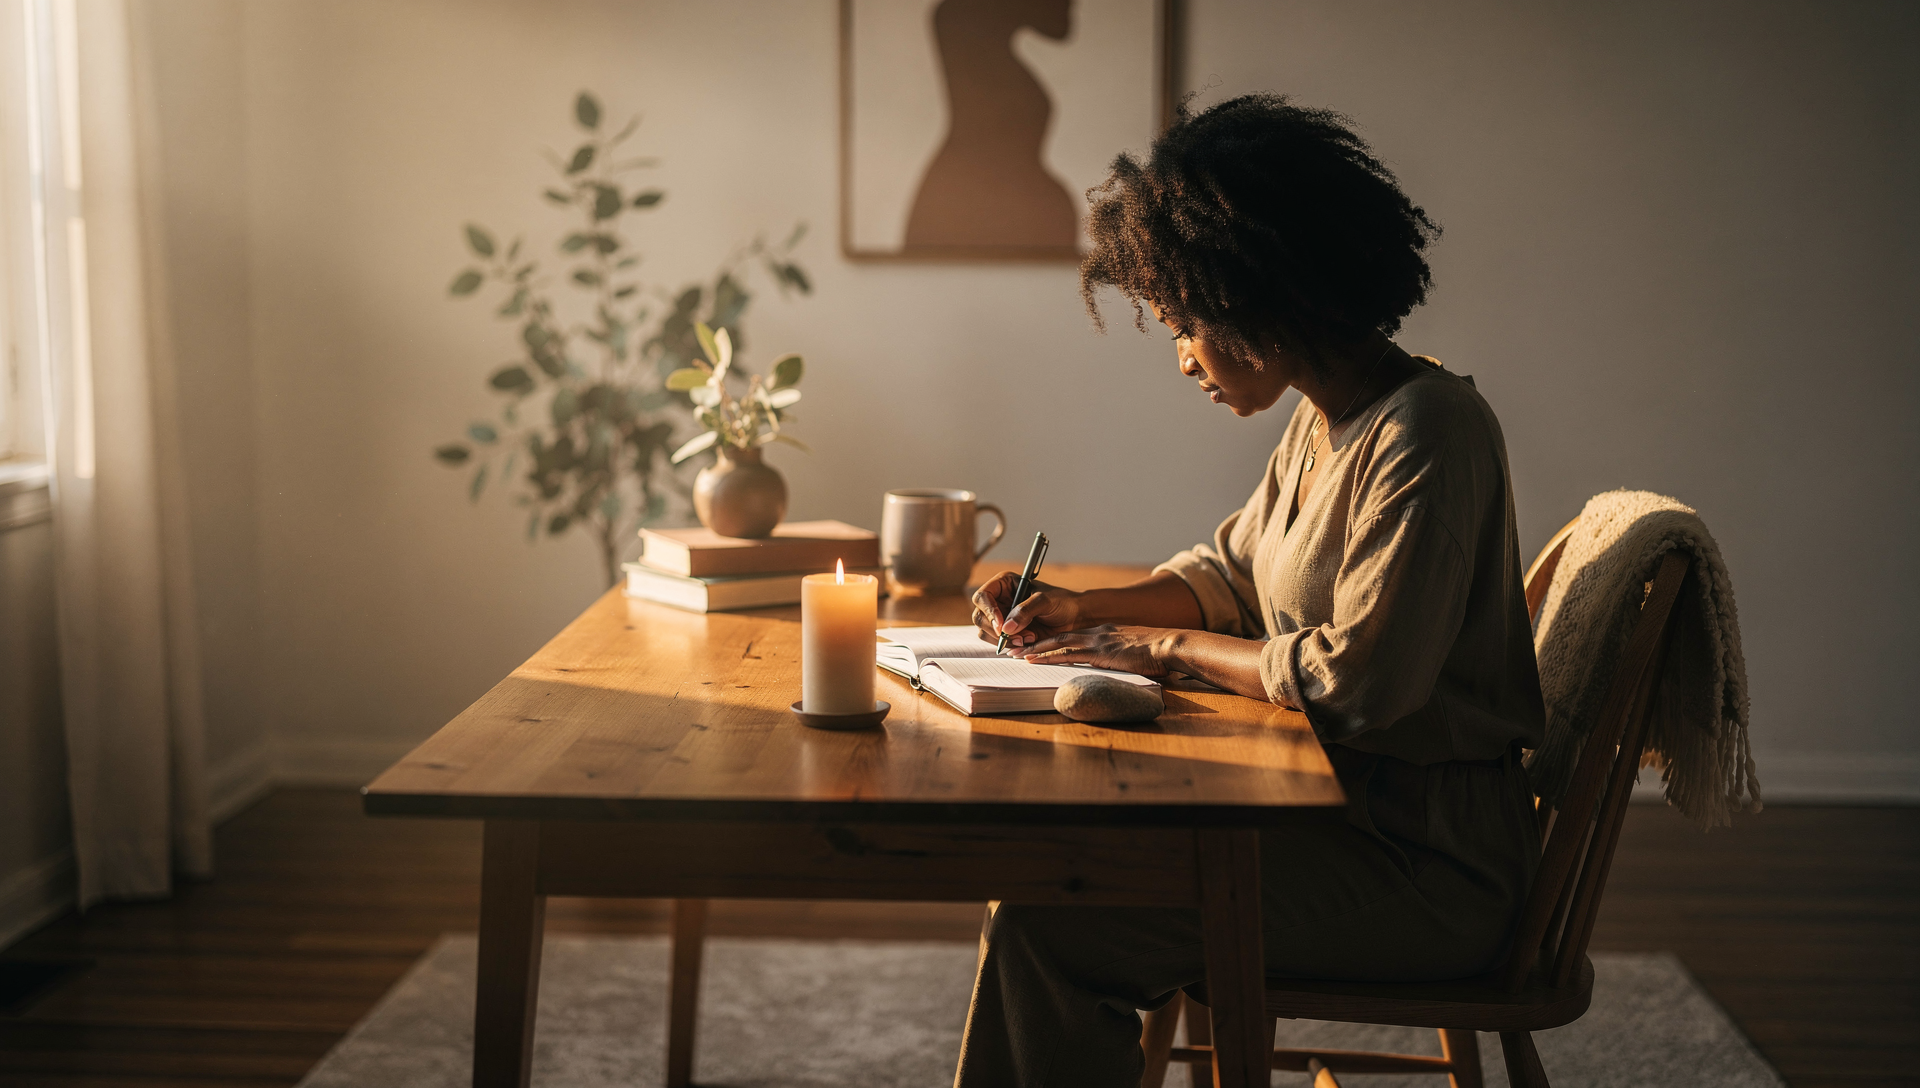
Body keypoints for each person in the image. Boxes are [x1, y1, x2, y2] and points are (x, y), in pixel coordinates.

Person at [955, 95, 1548, 1087]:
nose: (1182, 354)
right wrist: (1081, 610)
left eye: (1185, 322)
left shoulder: (1429, 430)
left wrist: (1158, 650)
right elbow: (1230, 576)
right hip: (1330, 823)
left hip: (1426, 869)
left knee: (1057, 918)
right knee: (1051, 886)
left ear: (1257, 299)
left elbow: (1359, 683)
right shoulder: (1327, 420)